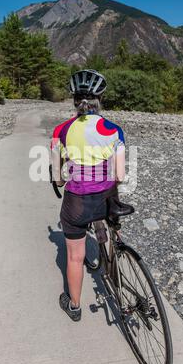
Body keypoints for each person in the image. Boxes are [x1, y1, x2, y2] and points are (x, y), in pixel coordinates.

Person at [51, 69, 126, 322]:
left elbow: (58, 176)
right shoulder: (114, 130)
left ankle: (74, 306)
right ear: (100, 100)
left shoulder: (61, 130)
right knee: (113, 229)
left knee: (75, 256)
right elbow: (121, 174)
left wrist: (62, 179)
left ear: (74, 100)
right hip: (106, 198)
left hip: (76, 203)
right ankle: (117, 273)